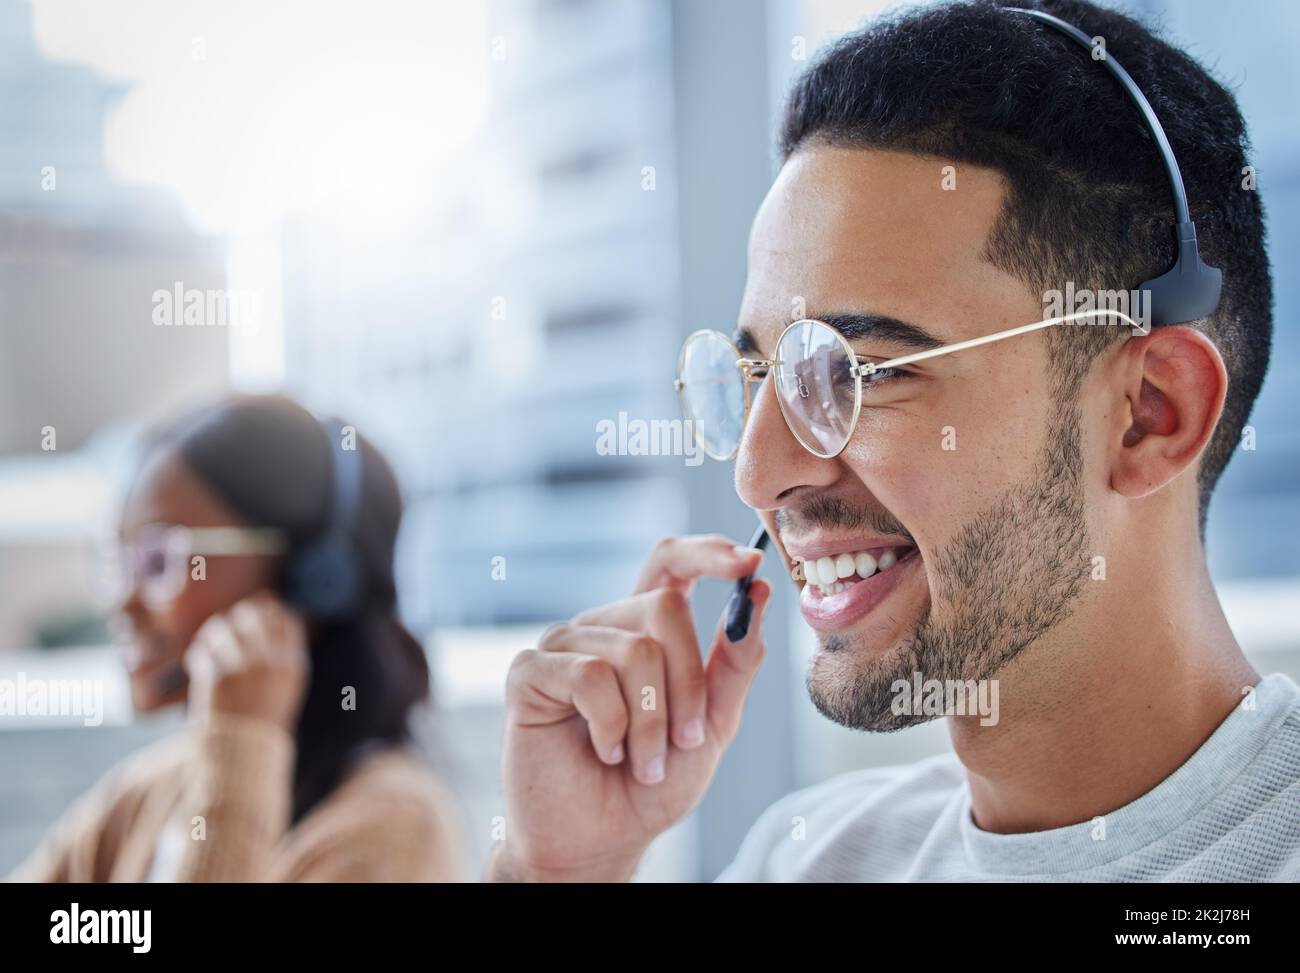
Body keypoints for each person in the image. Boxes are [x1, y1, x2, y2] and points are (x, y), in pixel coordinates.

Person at [489, 0, 1300, 882]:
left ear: (1151, 414)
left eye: (863, 374)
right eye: (762, 376)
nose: (760, 472)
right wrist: (558, 871)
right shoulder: (805, 860)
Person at [10, 394, 465, 882]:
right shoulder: (154, 791)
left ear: (310, 581)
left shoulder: (393, 826)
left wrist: (242, 748)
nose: (122, 602)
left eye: (159, 560)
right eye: (116, 561)